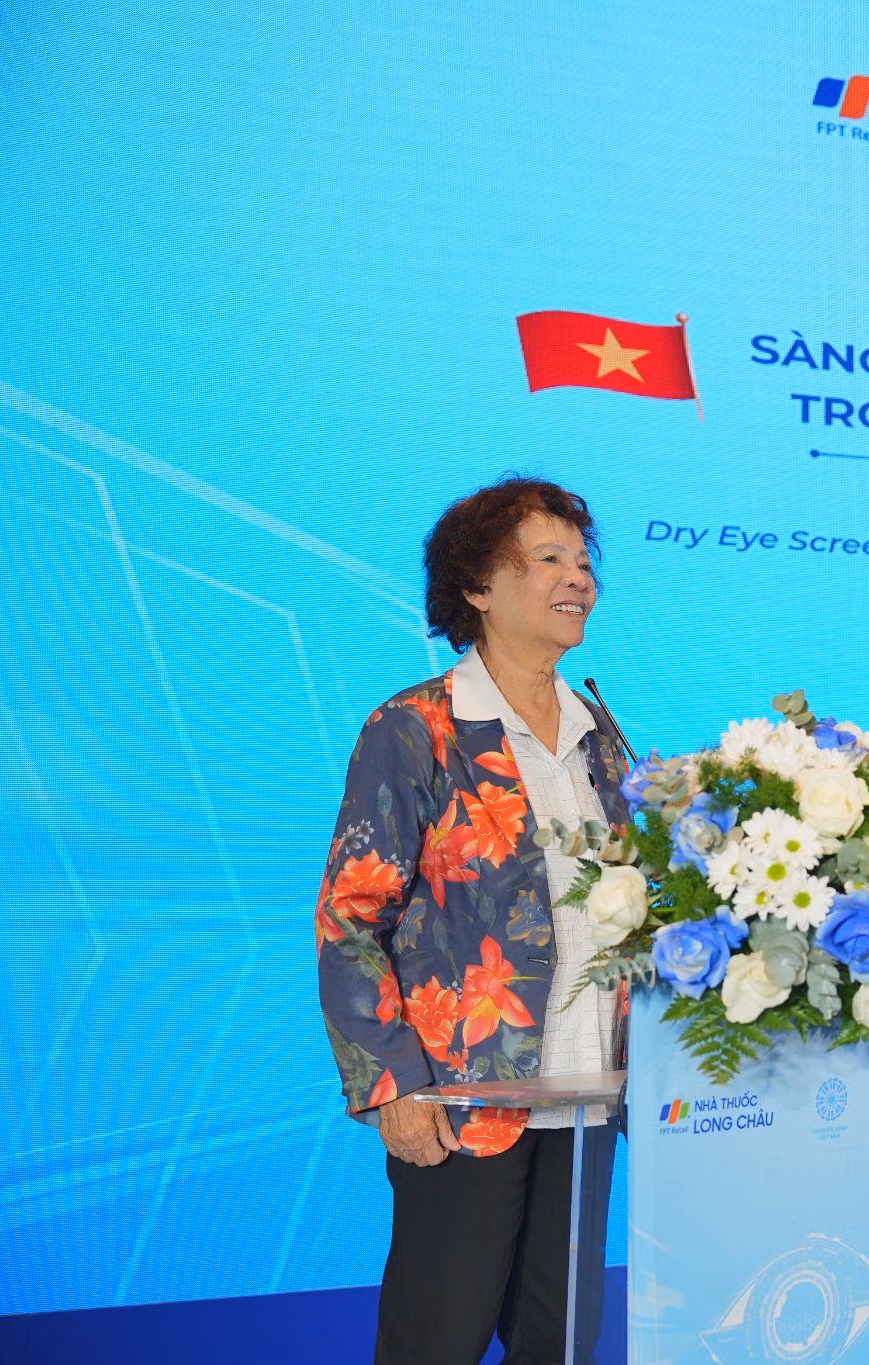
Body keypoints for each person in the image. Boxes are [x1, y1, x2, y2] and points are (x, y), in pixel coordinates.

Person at [316, 476, 632, 1363]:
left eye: (583, 562)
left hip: (586, 1096)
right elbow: (351, 918)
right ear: (477, 586)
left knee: (559, 1343)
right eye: (549, 559)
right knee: (437, 1341)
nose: (578, 579)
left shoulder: (599, 735)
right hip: (461, 1102)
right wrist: (392, 1084)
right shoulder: (418, 727)